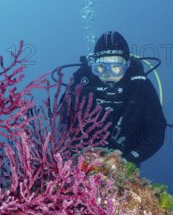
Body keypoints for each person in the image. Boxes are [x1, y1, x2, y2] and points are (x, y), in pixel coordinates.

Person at [61, 31, 167, 166]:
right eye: (101, 67)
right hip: (82, 160)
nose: (108, 74)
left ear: (127, 65)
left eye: (116, 67)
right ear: (93, 66)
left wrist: (129, 161)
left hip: (126, 159)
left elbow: (156, 132)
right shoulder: (82, 85)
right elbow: (63, 125)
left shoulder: (140, 86)